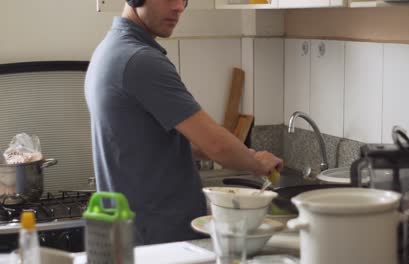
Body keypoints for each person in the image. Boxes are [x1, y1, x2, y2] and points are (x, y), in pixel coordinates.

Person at [84, 0, 283, 245]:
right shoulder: (140, 60)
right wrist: (255, 163)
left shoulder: (110, 50)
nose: (179, 7)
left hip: (137, 237)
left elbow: (155, 143)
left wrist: (244, 154)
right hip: (161, 240)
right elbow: (216, 147)